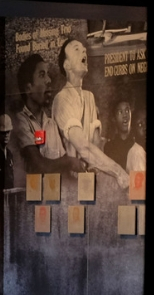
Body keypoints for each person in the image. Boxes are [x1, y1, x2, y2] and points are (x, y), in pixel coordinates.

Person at [51, 37, 127, 188]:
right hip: (67, 185)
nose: (84, 50)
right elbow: (84, 148)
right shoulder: (62, 99)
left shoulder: (89, 97)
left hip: (87, 183)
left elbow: (96, 144)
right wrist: (118, 172)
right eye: (76, 49)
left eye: (84, 49)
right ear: (67, 65)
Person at [11, 53, 62, 177]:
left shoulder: (52, 124)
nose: (49, 80)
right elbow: (39, 164)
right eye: (42, 75)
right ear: (28, 88)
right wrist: (69, 162)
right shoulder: (19, 122)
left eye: (48, 74)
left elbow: (60, 163)